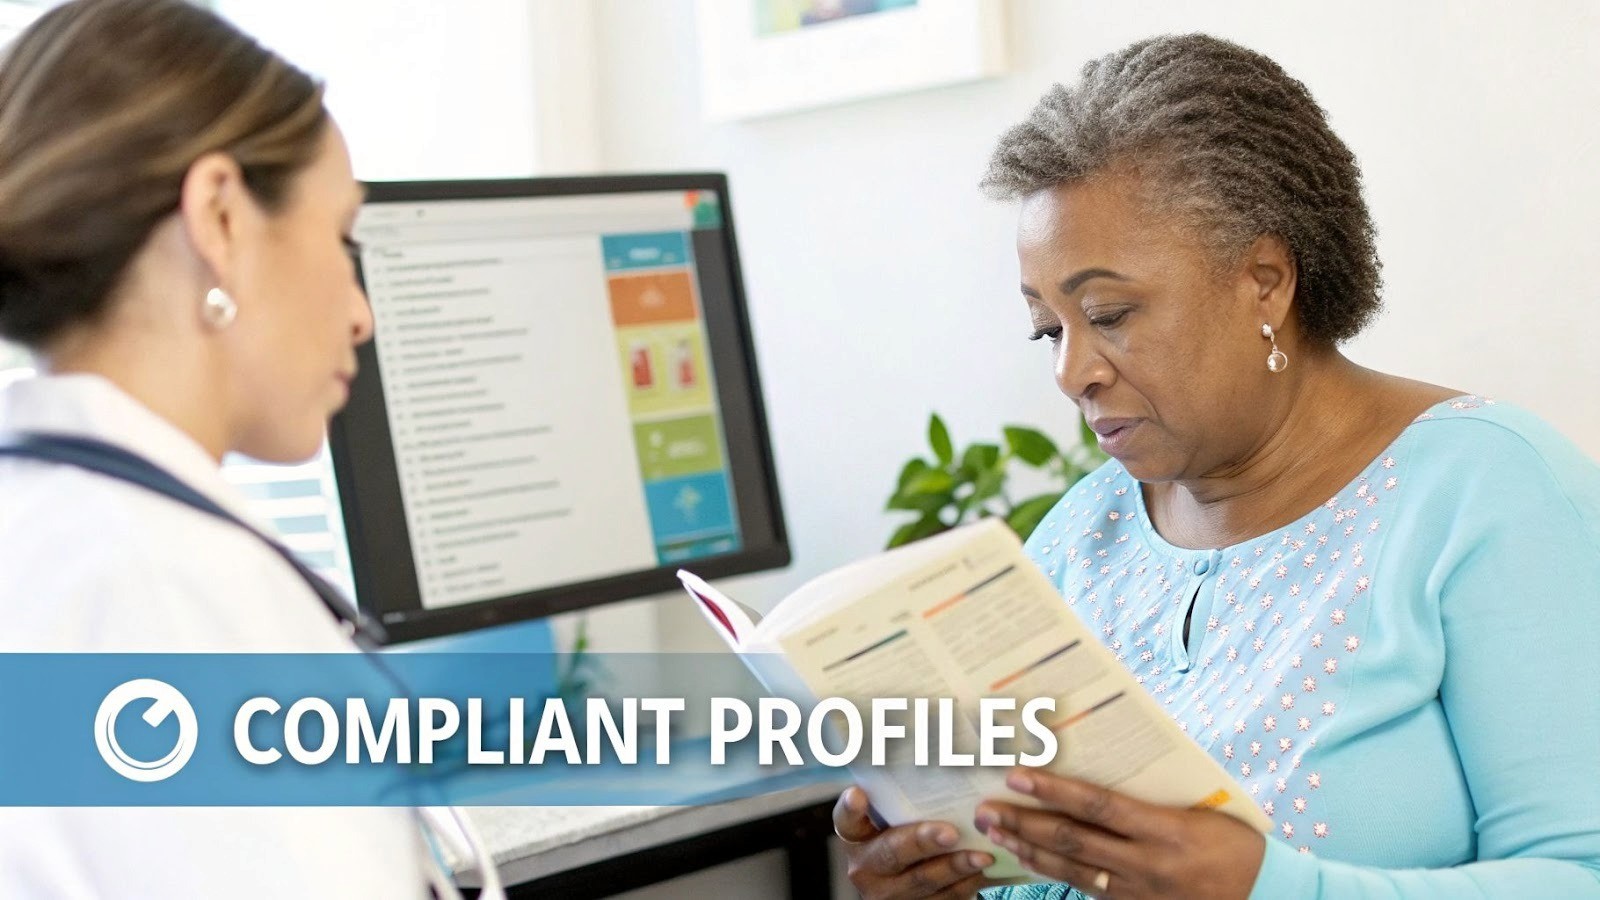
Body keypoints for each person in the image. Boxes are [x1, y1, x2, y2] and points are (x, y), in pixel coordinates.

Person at [835, 33, 1600, 899]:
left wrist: (1270, 888)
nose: (1072, 372)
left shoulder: (1491, 496)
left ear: (1265, 281)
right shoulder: (1078, 539)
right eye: (1049, 329)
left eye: (1109, 314)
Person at [0, 1, 457, 895]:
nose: (361, 313)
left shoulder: (52, 523)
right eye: (342, 238)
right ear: (219, 217)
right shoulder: (171, 592)